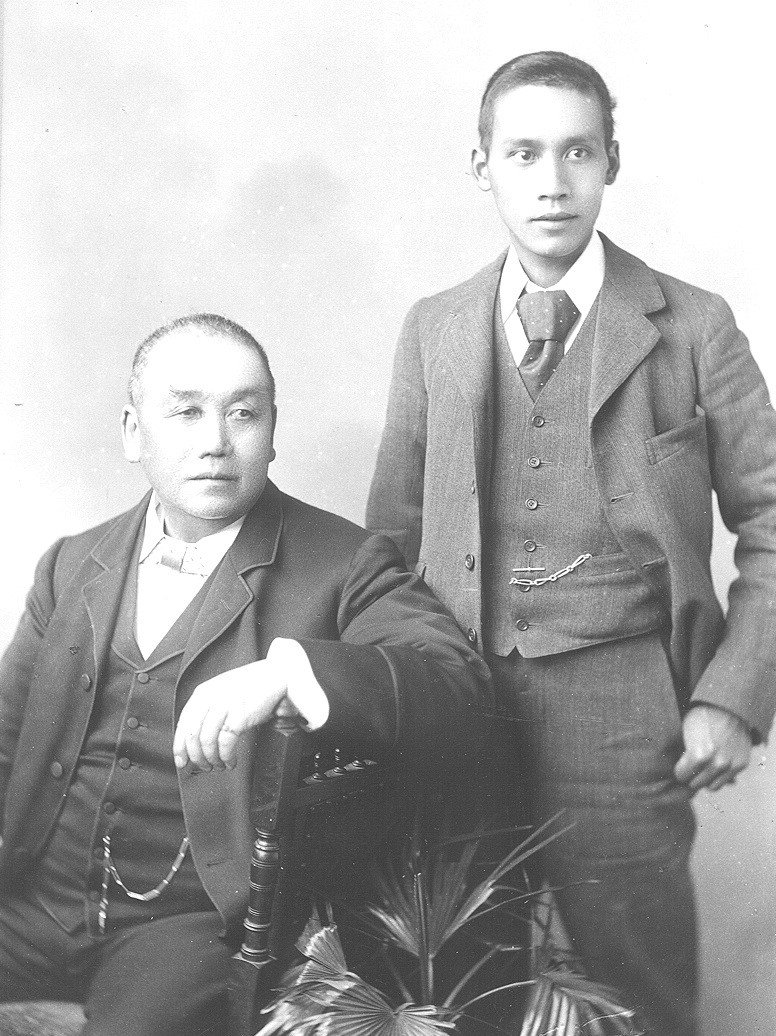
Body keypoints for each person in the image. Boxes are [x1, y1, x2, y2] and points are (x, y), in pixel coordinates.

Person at [366, 50, 776, 1036]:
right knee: (459, 992)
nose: (550, 180)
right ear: (482, 168)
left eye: (575, 151)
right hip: (459, 708)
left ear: (610, 162)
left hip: (625, 716)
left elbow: (768, 522)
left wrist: (730, 697)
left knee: (638, 997)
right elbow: (385, 545)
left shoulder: (691, 327)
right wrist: (390, 698)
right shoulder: (434, 328)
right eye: (522, 153)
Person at [0, 313, 493, 1036]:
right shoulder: (72, 563)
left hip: (185, 926)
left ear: (271, 431)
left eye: (242, 413)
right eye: (187, 411)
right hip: (32, 897)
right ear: (134, 433)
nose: (215, 441)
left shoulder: (343, 563)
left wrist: (293, 670)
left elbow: (459, 687)